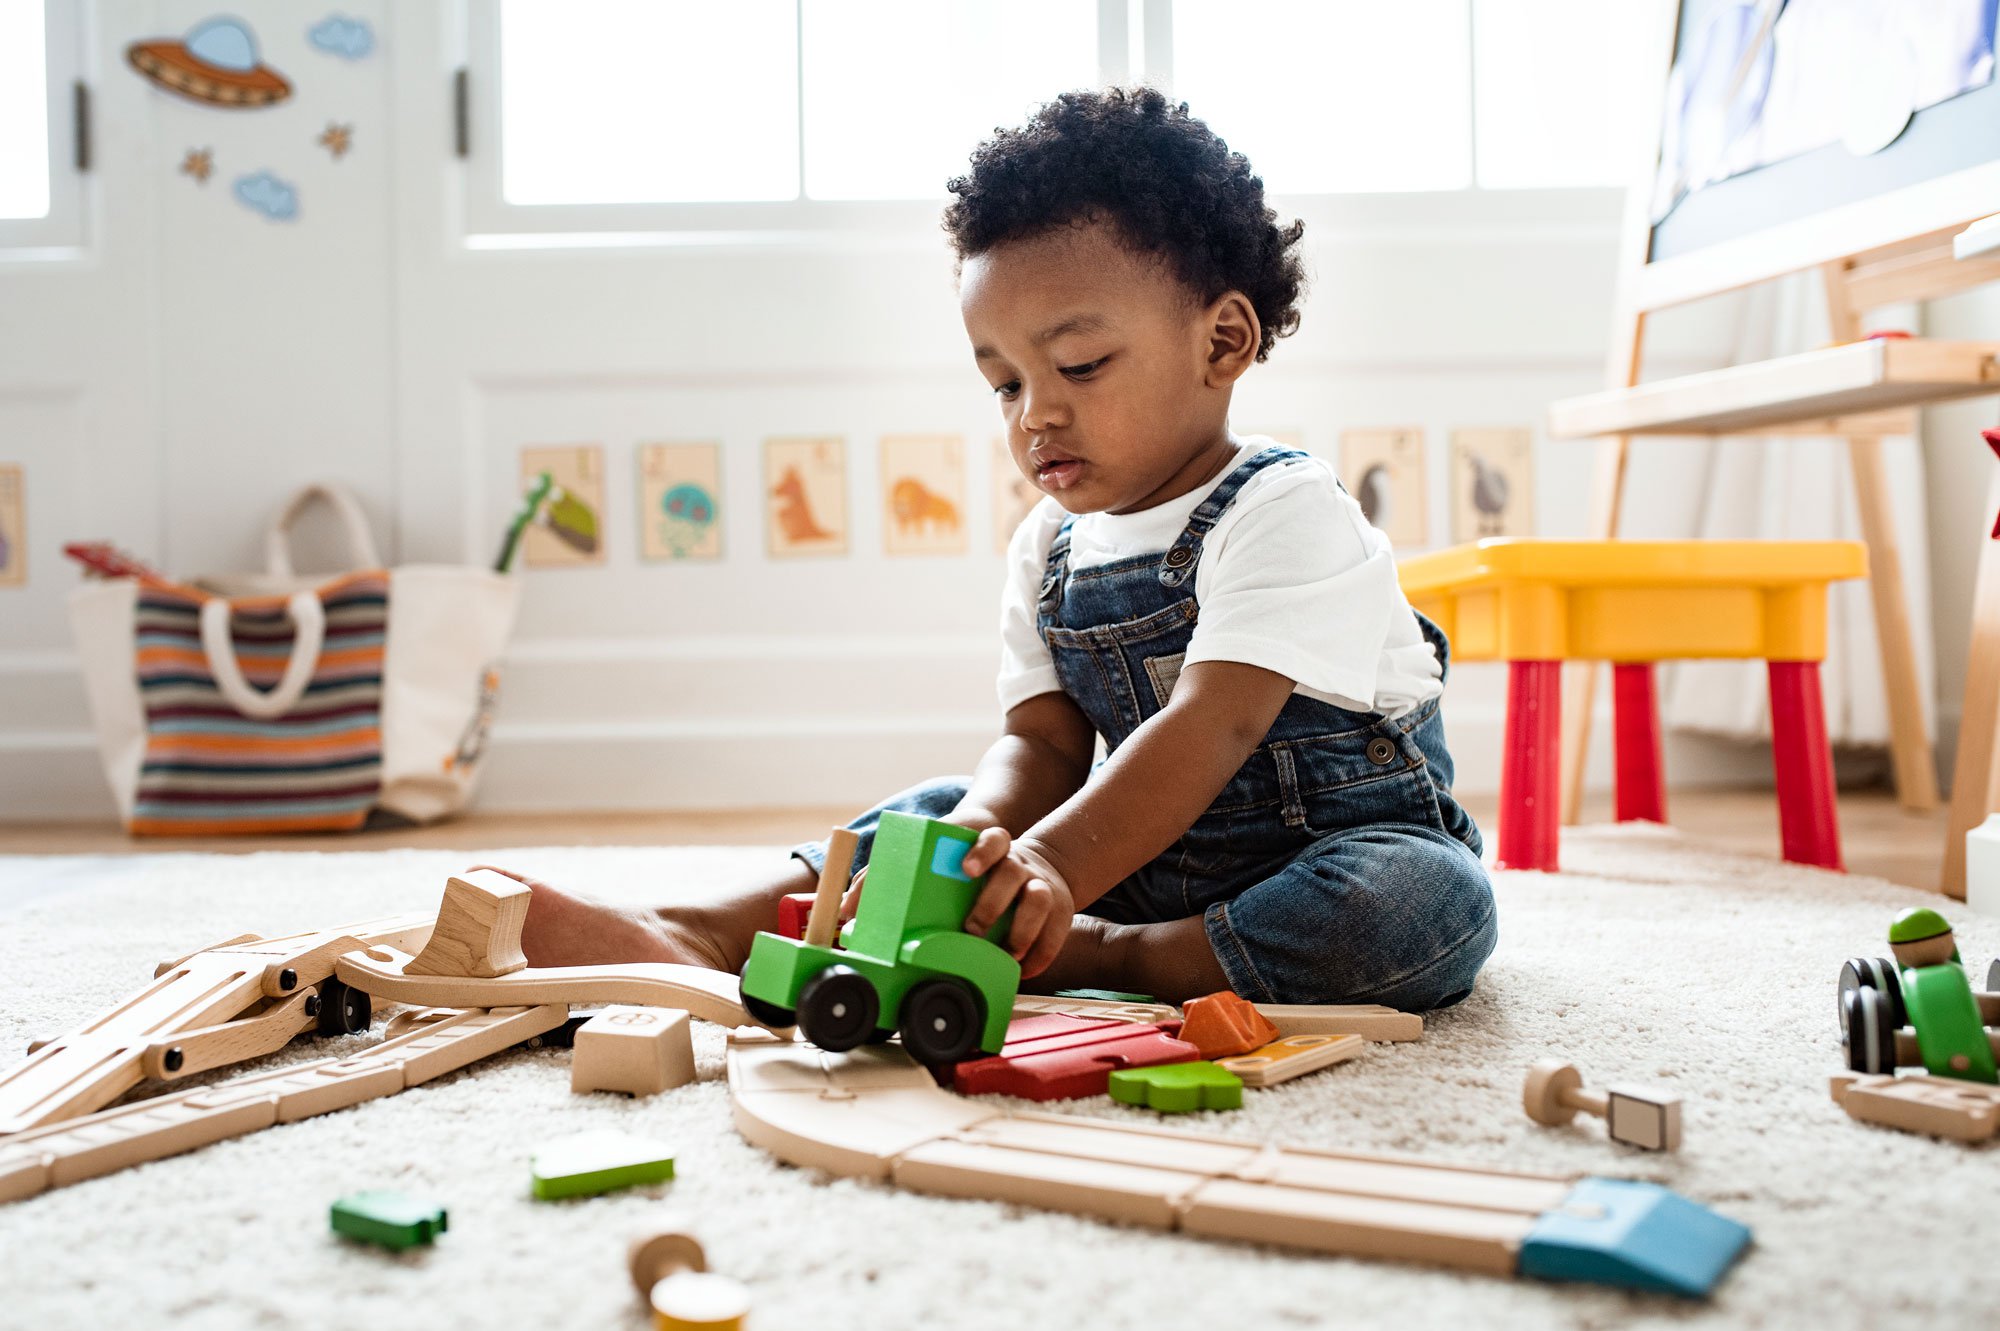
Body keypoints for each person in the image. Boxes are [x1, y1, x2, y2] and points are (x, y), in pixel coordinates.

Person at [501, 87, 1496, 1009]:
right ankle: (698, 931)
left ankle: (1110, 957)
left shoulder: (1284, 507)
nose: (1036, 413)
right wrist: (982, 834)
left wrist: (1056, 868)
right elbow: (1044, 744)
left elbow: (1210, 728)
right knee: (933, 812)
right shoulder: (1048, 545)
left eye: (1078, 364)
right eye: (1005, 383)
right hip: (1130, 853)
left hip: (1320, 850)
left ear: (1222, 342)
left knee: (1416, 904)